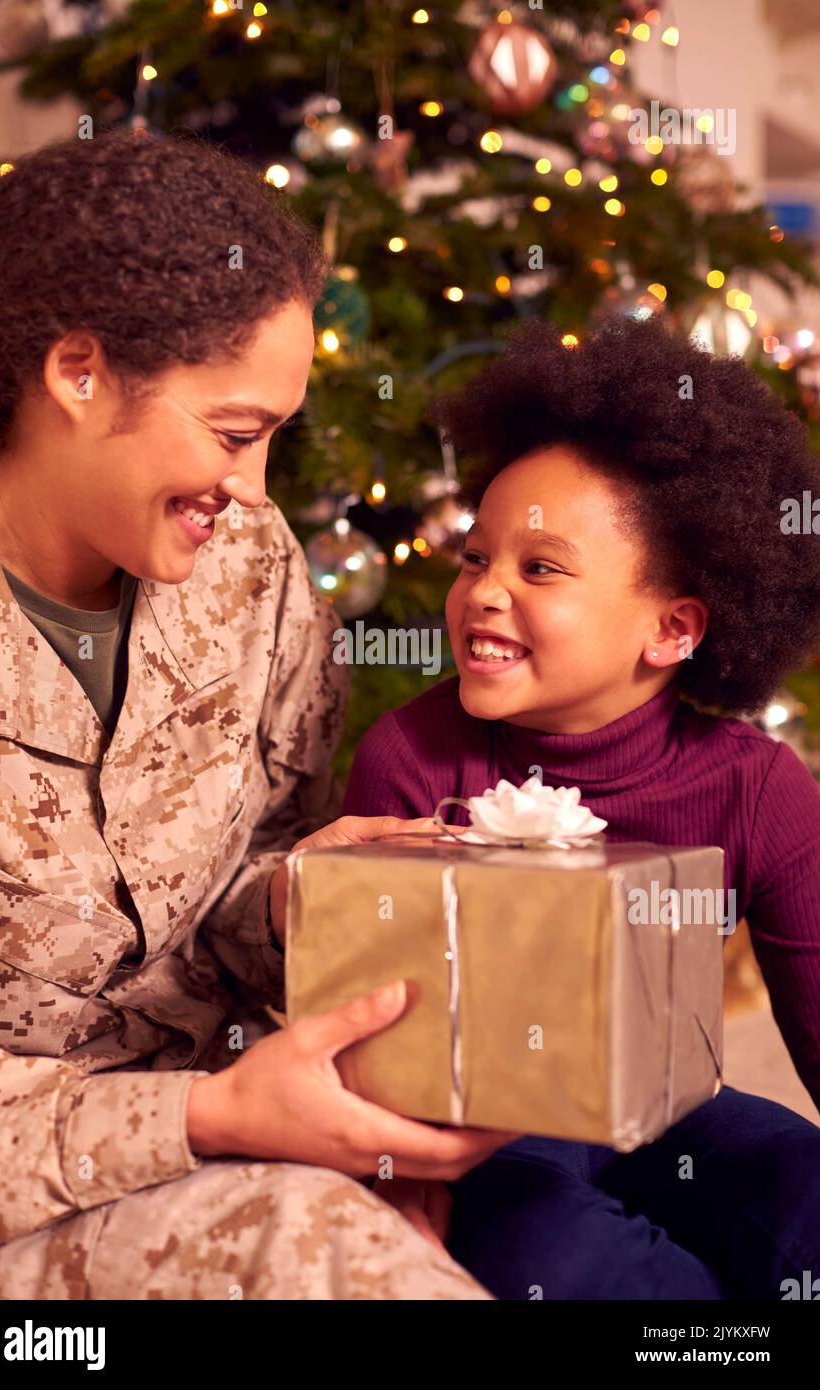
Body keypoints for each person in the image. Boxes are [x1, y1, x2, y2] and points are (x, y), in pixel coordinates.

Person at [0, 131, 514, 1300]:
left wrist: (312, 898)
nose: (255, 492)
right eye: (235, 434)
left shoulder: (250, 571)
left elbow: (236, 875)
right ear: (78, 371)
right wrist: (207, 1115)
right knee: (317, 1252)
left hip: (224, 1134)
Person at [343, 314, 820, 1300]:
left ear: (669, 628)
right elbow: (371, 1043)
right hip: (493, 1132)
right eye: (474, 558)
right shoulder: (409, 759)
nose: (480, 592)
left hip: (674, 1110)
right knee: (552, 1258)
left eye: (538, 567)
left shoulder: (754, 784)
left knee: (797, 1182)